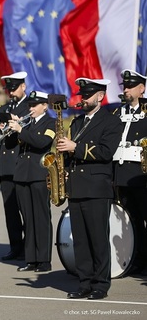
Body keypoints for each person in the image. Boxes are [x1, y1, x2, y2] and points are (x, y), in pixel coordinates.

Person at [56, 77, 122, 300]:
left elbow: (105, 152)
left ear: (100, 97)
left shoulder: (111, 121)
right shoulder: (76, 122)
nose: (82, 99)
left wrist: (75, 147)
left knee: (97, 239)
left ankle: (100, 285)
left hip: (97, 188)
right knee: (81, 240)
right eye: (81, 95)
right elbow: (71, 153)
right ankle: (84, 282)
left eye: (87, 95)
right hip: (76, 187)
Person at [9, 91, 54, 272]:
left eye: (35, 105)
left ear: (45, 105)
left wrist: (21, 130)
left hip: (39, 174)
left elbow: (42, 142)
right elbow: (11, 144)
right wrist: (12, 128)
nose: (31, 108)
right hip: (22, 175)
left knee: (41, 217)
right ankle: (31, 259)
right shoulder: (26, 122)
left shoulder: (50, 122)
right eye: (30, 105)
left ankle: (44, 260)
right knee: (27, 218)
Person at [112, 69, 147, 275]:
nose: (125, 89)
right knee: (131, 221)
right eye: (124, 86)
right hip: (122, 174)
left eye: (129, 86)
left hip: (141, 175)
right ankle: (139, 259)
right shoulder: (118, 113)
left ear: (141, 89)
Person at [0, 71, 30, 261]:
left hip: (20, 161)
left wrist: (18, 126)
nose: (11, 92)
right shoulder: (4, 107)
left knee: (24, 208)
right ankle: (15, 246)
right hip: (6, 164)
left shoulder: (30, 107)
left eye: (14, 88)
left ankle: (28, 246)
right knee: (10, 210)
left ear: (23, 87)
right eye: (9, 89)